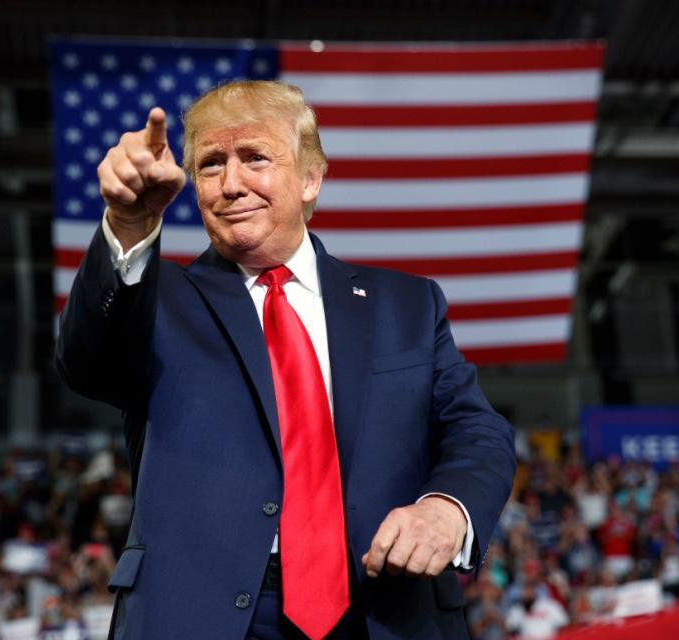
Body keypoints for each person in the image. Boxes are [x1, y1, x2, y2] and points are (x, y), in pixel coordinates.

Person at [56, 80, 515, 639]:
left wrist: (448, 508)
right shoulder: (152, 297)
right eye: (210, 164)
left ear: (309, 178)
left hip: (381, 610)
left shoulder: (408, 304)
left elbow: (478, 431)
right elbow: (86, 363)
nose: (231, 184)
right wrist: (129, 226)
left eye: (255, 157)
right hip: (198, 617)